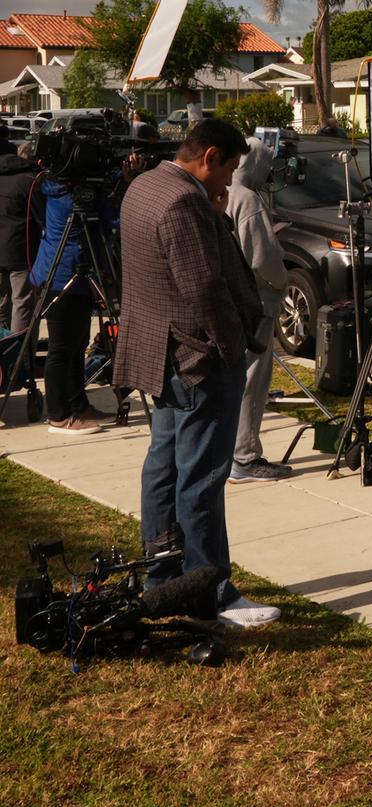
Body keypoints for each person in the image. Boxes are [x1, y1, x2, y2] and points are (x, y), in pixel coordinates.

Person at [114, 118, 279, 629]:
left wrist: (217, 215)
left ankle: (163, 581)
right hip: (196, 360)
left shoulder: (144, 184)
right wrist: (232, 348)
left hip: (158, 354)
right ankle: (212, 593)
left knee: (163, 467)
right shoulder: (183, 201)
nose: (230, 181)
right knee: (201, 479)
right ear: (209, 157)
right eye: (228, 169)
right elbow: (204, 286)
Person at [29, 155, 119, 434]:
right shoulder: (75, 196)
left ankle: (79, 406)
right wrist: (121, 184)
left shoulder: (54, 188)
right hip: (63, 276)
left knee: (78, 344)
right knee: (61, 349)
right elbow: (115, 218)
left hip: (66, 273)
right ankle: (58, 415)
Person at [226, 137, 291, 483]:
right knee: (252, 378)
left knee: (230, 378)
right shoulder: (246, 198)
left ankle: (230, 452)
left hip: (227, 301)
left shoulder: (217, 191)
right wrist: (282, 282)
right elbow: (262, 257)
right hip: (255, 301)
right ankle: (245, 456)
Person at [0, 137, 37, 335]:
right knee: (22, 302)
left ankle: (5, 348)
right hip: (20, 251)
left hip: (8, 247)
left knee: (3, 302)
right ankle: (19, 349)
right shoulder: (28, 180)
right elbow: (43, 216)